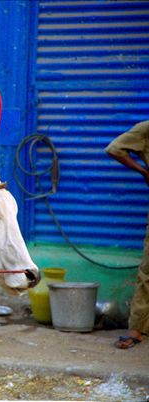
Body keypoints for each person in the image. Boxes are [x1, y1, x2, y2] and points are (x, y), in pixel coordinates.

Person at [105, 120, 149, 349]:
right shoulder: (146, 129)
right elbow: (114, 148)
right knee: (147, 271)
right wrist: (143, 171)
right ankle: (137, 327)